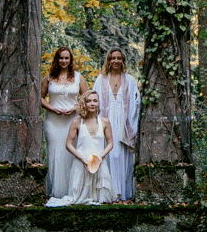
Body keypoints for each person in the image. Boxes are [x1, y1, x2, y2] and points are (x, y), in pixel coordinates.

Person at [46, 91, 115, 207]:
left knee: (102, 200)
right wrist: (82, 158)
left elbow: (110, 143)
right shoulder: (76, 122)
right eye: (89, 101)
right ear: (84, 104)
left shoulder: (105, 122)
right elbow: (68, 144)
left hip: (99, 162)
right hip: (81, 162)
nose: (92, 104)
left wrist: (100, 157)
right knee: (77, 199)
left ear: (98, 103)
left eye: (95, 100)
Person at [93, 48, 140, 202]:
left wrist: (130, 127)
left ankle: (121, 193)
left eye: (119, 58)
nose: (116, 61)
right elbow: (94, 101)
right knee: (109, 156)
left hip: (123, 125)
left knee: (120, 156)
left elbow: (136, 104)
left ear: (123, 60)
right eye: (113, 58)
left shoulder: (130, 80)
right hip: (106, 122)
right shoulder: (101, 79)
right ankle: (108, 193)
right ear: (108, 60)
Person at [41, 46, 85, 199]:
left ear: (71, 60)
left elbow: (87, 98)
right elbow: (39, 98)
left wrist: (74, 108)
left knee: (70, 152)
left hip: (72, 120)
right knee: (55, 152)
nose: (64, 61)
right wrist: (52, 108)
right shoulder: (49, 77)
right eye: (61, 58)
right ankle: (55, 191)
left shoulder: (78, 77)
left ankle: (72, 190)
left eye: (67, 58)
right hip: (53, 121)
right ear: (56, 60)